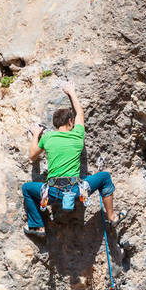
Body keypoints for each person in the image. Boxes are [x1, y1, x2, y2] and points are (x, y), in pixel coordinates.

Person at [21, 82, 126, 238]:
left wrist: (36, 133)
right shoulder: (77, 135)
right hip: (76, 191)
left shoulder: (48, 137)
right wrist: (72, 92)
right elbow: (80, 114)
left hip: (52, 192)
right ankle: (111, 217)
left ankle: (38, 227)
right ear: (70, 121)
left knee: (27, 188)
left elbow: (32, 156)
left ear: (55, 124)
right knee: (104, 177)